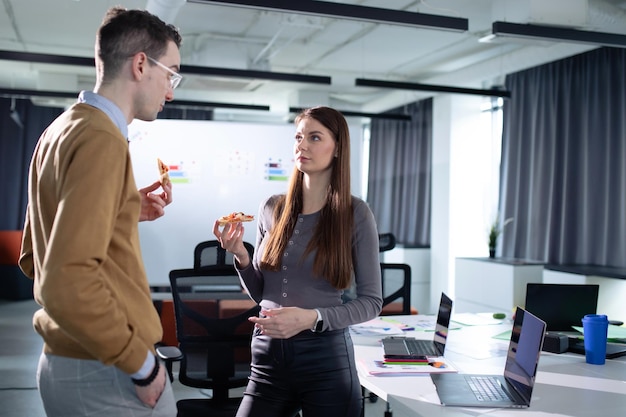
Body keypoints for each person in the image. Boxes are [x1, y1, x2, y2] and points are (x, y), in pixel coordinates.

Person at [18, 7, 182, 417]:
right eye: (171, 74)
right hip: (107, 371)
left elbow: (32, 257)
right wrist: (142, 367)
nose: (172, 91)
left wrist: (125, 212)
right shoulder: (103, 140)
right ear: (141, 64)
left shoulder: (59, 130)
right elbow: (64, 280)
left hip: (71, 363)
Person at [214, 106, 383, 417]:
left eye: (314, 137)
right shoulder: (271, 208)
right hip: (267, 358)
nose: (301, 145)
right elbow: (262, 292)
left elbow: (372, 302)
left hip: (324, 361)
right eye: (298, 137)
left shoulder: (355, 214)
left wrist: (312, 317)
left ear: (337, 149)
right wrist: (240, 256)